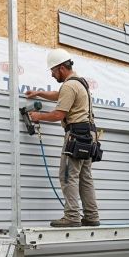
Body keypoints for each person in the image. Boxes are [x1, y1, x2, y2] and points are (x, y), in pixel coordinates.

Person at [25, 48, 100, 228]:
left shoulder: (69, 85)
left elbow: (58, 114)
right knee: (85, 177)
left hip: (76, 135)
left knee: (67, 175)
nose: (52, 74)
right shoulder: (79, 83)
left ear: (61, 68)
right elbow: (59, 95)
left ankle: (72, 216)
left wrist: (38, 116)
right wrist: (39, 93)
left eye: (52, 70)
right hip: (89, 135)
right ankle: (91, 216)